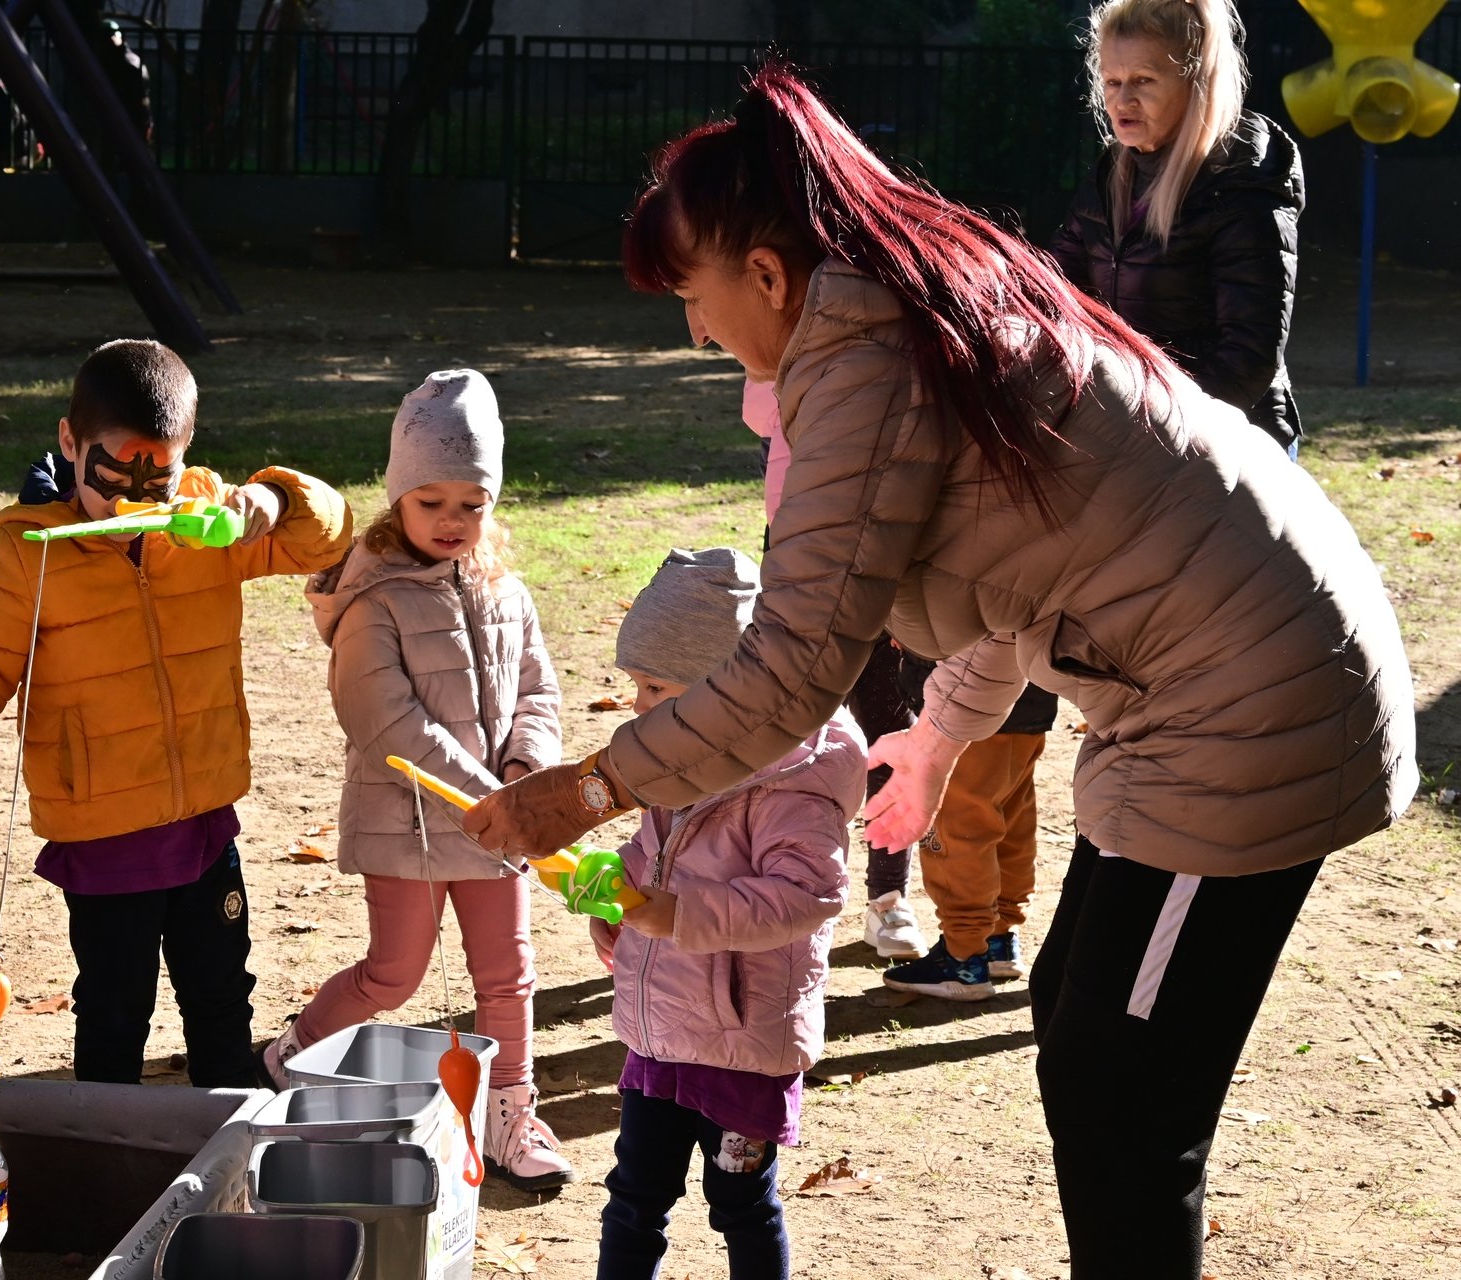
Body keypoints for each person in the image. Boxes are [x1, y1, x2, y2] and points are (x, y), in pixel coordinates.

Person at [464, 63, 1414, 1279]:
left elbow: (794, 665)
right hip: (1209, 682)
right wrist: (942, 732)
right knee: (1077, 1013)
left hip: (1256, 704)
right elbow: (1020, 561)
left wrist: (592, 787)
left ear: (767, 275)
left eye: (694, 297)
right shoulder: (899, 315)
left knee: (1125, 1090)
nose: (696, 332)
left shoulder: (858, 358)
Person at [0, 339, 352, 1086]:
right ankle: (104, 1133)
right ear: (69, 442)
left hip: (203, 818)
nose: (129, 504)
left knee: (222, 994)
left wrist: (274, 500)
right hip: (102, 830)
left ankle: (227, 1122)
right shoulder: (27, 554)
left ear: (184, 459)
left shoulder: (206, 527)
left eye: (157, 481)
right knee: (115, 1009)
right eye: (112, 478)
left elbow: (326, 537)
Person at [260, 369, 573, 1191]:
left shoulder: (507, 592)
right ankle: (295, 1051)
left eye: (473, 503)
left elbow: (538, 690)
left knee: (508, 974)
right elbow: (388, 724)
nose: (452, 520)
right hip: (408, 828)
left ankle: (509, 1112)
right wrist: (493, 800)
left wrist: (525, 774)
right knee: (395, 972)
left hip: (501, 825)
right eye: (431, 501)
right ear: (398, 495)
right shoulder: (373, 603)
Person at [591, 547, 862, 1280]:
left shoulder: (796, 783)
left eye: (656, 686)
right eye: (635, 684)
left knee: (742, 1204)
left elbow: (808, 894)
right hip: (660, 1030)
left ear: (723, 691)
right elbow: (653, 848)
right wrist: (617, 895)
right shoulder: (676, 758)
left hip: (742, 1039)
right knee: (634, 1196)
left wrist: (680, 915)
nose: (639, 705)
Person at [1051, 0, 1305, 455]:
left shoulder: (1243, 184)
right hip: (1134, 435)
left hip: (1232, 445)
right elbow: (1053, 292)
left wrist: (1154, 431)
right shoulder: (1110, 176)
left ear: (1196, 83)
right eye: (1112, 81)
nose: (1122, 101)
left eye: (1144, 80)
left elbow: (1248, 357)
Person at [743, 376, 925, 960]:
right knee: (781, 735)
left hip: (884, 562)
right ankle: (765, 886)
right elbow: (762, 417)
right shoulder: (780, 364)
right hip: (799, 566)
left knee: (887, 731)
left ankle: (888, 899)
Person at [883, 662, 1059, 1000]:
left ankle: (963, 958)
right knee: (1011, 820)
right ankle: (997, 940)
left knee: (958, 829)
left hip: (967, 702)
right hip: (1028, 696)